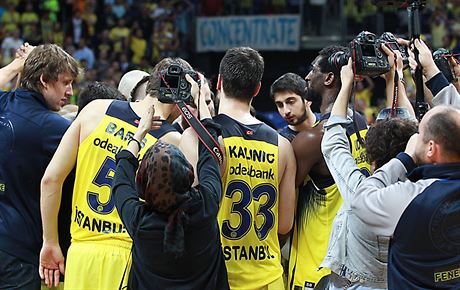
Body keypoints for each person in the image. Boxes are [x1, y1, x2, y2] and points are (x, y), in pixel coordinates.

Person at [39, 57, 186, 289]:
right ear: (180, 96)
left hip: (80, 252)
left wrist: (50, 242)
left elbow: (50, 179)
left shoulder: (95, 110)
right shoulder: (173, 142)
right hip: (128, 257)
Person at [181, 46, 296, 290]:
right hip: (269, 276)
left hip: (217, 275)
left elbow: (186, 214)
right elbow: (285, 224)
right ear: (257, 89)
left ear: (219, 83)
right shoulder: (282, 145)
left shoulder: (196, 138)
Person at [112, 75, 229, 289]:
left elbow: (120, 177)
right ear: (188, 175)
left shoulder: (139, 221)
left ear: (143, 184)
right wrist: (200, 102)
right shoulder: (206, 205)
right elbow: (208, 151)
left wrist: (139, 134)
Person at [320, 56, 418, 289]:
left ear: (372, 159)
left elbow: (333, 141)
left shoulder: (360, 192)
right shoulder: (422, 187)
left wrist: (346, 85)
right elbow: (414, 129)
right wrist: (394, 79)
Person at [347, 105, 460, 289]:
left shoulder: (411, 197)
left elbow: (361, 200)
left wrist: (405, 158)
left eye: (420, 137)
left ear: (431, 148)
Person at [288, 45, 370, 290]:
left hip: (315, 267)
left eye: (313, 69)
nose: (307, 76)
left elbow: (284, 210)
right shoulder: (360, 122)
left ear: (329, 78)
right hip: (351, 265)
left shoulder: (311, 141)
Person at [0, 43, 79, 289]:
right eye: (65, 82)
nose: (71, 91)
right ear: (44, 80)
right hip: (20, 252)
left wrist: (17, 65)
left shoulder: (3, 104)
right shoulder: (53, 128)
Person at [270, 72, 319, 142]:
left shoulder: (328, 124)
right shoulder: (280, 141)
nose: (286, 111)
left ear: (307, 99)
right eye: (280, 105)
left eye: (291, 102)